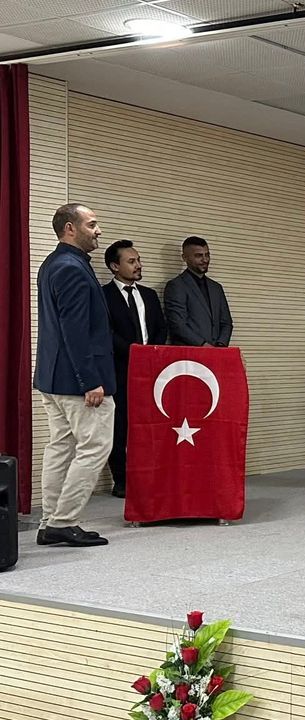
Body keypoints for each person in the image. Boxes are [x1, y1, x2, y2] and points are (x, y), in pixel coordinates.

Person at [33, 203, 114, 547]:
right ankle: (63, 522)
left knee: (61, 448)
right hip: (78, 381)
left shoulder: (53, 263)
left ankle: (50, 522)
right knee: (95, 446)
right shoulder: (72, 268)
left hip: (53, 378)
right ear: (70, 228)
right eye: (92, 224)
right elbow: (75, 331)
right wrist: (90, 381)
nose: (98, 231)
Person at [101, 240, 168, 499]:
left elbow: (160, 328)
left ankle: (151, 476)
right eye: (131, 261)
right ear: (114, 266)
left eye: (138, 260)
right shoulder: (104, 295)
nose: (138, 265)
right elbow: (106, 332)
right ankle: (122, 481)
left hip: (152, 370)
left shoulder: (149, 295)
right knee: (119, 427)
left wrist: (152, 354)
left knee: (151, 425)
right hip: (119, 369)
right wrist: (134, 352)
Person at [165, 236, 233, 347]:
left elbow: (226, 322)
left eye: (207, 255)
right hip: (189, 353)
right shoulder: (176, 286)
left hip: (217, 352)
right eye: (199, 256)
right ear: (184, 258)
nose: (205, 260)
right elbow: (178, 325)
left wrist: (220, 345)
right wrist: (203, 345)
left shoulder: (216, 287)